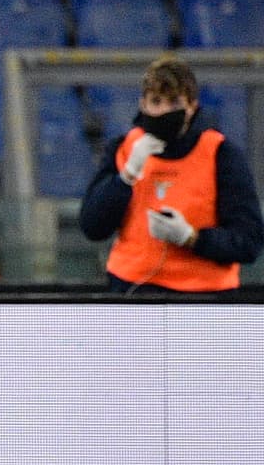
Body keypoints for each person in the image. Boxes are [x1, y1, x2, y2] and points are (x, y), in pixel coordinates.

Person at [79, 55, 264, 294]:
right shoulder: (124, 149)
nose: (164, 111)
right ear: (143, 104)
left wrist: (192, 238)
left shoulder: (221, 155)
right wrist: (125, 177)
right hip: (133, 291)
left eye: (175, 103)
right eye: (156, 102)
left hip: (205, 297)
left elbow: (249, 242)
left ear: (192, 107)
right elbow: (92, 227)